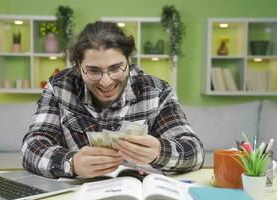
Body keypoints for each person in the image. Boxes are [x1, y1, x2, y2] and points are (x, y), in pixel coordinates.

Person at [21, 21, 204, 178]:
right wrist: (71, 163)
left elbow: (195, 152)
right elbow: (31, 147)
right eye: (93, 71)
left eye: (116, 68)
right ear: (78, 66)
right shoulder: (60, 87)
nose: (106, 81)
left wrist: (159, 151)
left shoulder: (157, 91)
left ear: (129, 61)